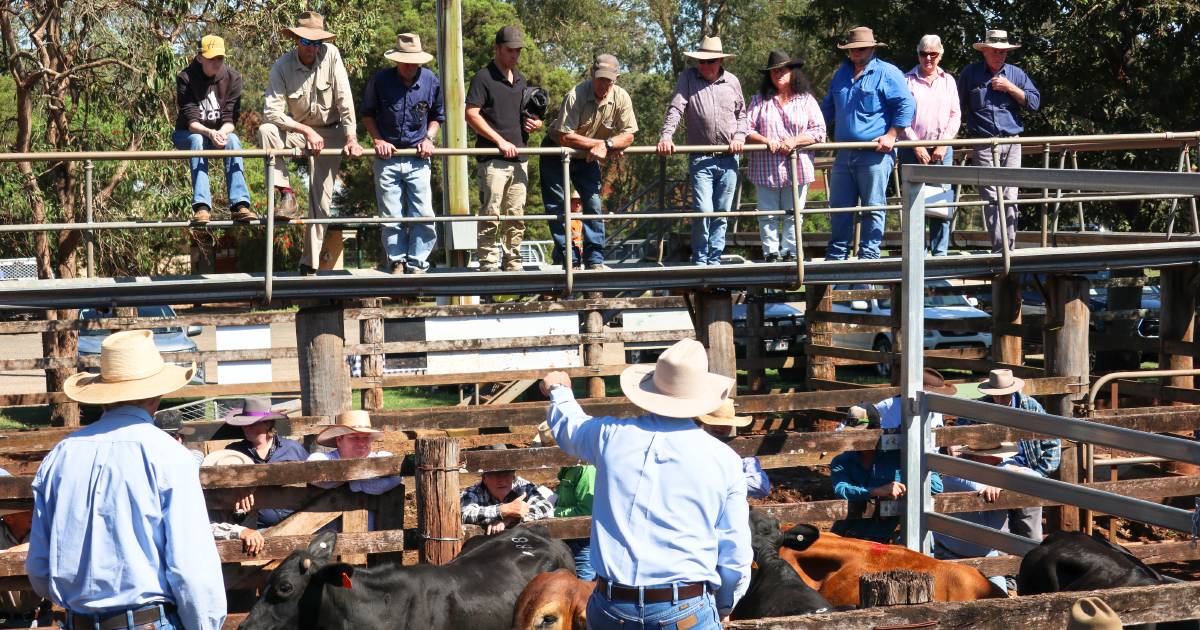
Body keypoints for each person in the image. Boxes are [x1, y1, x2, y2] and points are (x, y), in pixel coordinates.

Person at [541, 338, 752, 628]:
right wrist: (725, 602)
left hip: (614, 605)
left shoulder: (611, 436)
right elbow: (734, 551)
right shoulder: (725, 459)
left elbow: (570, 427)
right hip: (685, 606)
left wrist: (559, 390)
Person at [27, 330, 225, 629]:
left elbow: (40, 568)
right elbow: (192, 569)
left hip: (77, 619)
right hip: (146, 620)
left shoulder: (62, 455)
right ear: (156, 395)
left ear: (103, 395)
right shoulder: (168, 455)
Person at [260, 11, 364, 276]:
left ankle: (310, 264)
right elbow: (271, 112)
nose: (312, 48)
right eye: (307, 42)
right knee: (266, 130)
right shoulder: (282, 66)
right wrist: (305, 130)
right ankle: (286, 193)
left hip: (331, 134)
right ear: (296, 40)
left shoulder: (332, 55)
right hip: (299, 132)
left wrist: (351, 138)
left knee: (322, 202)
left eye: (316, 43)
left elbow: (345, 99)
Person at [820, 26, 915, 262]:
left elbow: (907, 105)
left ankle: (869, 259)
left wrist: (892, 135)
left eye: (860, 49)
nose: (855, 53)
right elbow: (827, 108)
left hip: (874, 154)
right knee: (839, 208)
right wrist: (813, 130)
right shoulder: (841, 74)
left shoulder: (887, 72)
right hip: (843, 154)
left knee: (873, 207)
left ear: (872, 48)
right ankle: (836, 260)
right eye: (851, 50)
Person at [539, 53, 638, 269]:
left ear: (616, 79)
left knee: (593, 203)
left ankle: (594, 259)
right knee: (557, 205)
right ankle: (569, 257)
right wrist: (599, 144)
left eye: (608, 80)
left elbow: (629, 135)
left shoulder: (621, 98)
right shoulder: (576, 95)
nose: (603, 84)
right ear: (592, 74)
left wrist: (608, 145)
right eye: (599, 78)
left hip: (587, 156)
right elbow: (565, 136)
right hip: (557, 152)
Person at [657, 36, 748, 267]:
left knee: (722, 212)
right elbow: (677, 107)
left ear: (720, 61)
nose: (705, 66)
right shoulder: (688, 78)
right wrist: (666, 136)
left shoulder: (732, 82)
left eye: (711, 61)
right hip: (701, 158)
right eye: (702, 62)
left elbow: (742, 116)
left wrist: (739, 136)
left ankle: (714, 259)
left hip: (729, 158)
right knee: (703, 210)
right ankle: (700, 260)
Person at [830, 370, 948, 543]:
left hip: (884, 539)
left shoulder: (896, 456)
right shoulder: (841, 461)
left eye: (862, 434)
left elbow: (936, 486)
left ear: (876, 430)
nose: (855, 440)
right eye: (851, 434)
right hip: (848, 535)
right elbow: (841, 489)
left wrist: (901, 489)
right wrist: (877, 491)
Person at [362, 33, 444, 276]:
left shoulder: (431, 81)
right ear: (396, 61)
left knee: (424, 214)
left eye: (415, 61)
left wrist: (429, 138)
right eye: (406, 61)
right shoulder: (380, 81)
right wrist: (378, 139)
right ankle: (397, 261)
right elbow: (367, 113)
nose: (410, 66)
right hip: (387, 159)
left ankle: (417, 263)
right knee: (390, 215)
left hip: (418, 158)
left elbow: (438, 116)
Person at [466, 26, 543, 272]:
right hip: (492, 160)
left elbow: (525, 116)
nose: (514, 55)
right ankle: (488, 262)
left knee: (516, 213)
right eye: (510, 50)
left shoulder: (521, 80)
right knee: (490, 212)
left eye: (518, 51)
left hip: (520, 158)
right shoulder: (483, 78)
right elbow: (471, 115)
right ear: (497, 48)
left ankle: (513, 260)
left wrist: (534, 123)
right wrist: (499, 141)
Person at [958, 29, 1041, 253]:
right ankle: (1000, 249)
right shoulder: (970, 74)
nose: (1000, 55)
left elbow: (1034, 103)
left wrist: (1010, 88)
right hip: (985, 143)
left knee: (1010, 196)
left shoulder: (1016, 74)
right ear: (984, 51)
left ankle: (1009, 249)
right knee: (991, 197)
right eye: (995, 51)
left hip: (1012, 142)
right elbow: (957, 107)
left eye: (1003, 52)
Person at [957, 368, 1060, 541]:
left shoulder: (1030, 406)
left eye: (1004, 395)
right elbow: (958, 431)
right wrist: (956, 446)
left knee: (1029, 522)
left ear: (1013, 391)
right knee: (997, 521)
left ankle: (1028, 553)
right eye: (996, 394)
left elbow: (1052, 441)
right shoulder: (979, 407)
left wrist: (1039, 472)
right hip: (991, 469)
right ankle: (1003, 558)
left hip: (1022, 467)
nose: (999, 398)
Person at [746, 50, 825, 263]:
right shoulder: (759, 100)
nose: (778, 74)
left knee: (794, 214)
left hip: (797, 167)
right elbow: (746, 129)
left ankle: (790, 252)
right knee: (768, 214)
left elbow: (819, 131)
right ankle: (770, 253)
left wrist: (794, 141)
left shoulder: (806, 100)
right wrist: (765, 140)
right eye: (773, 72)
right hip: (766, 168)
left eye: (782, 70)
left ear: (792, 72)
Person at [173, 35, 255, 225]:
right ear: (200, 57)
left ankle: (240, 205)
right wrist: (210, 133)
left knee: (233, 140)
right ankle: (201, 207)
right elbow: (191, 120)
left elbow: (230, 119)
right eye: (212, 58)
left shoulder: (233, 77)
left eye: (220, 58)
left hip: (218, 134)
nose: (217, 63)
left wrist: (222, 132)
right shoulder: (185, 77)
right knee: (197, 140)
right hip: (187, 134)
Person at [902, 34, 961, 256]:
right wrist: (916, 145)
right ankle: (915, 254)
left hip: (942, 150)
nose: (928, 58)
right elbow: (901, 116)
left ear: (940, 55)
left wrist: (944, 144)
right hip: (911, 150)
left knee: (941, 203)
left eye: (933, 54)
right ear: (918, 54)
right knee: (914, 204)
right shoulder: (906, 80)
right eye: (923, 53)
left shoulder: (949, 81)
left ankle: (940, 255)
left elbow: (955, 115)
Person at [307, 410, 403, 529]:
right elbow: (313, 473)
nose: (362, 443)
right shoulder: (322, 458)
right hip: (327, 540)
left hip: (372, 538)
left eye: (366, 437)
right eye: (354, 437)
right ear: (339, 440)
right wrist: (359, 478)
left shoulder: (381, 458)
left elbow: (397, 476)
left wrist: (354, 482)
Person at [222, 396, 309, 528]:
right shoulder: (234, 452)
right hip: (252, 527)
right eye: (244, 424)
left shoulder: (292, 448)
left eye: (251, 424)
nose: (245, 428)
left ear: (267, 424)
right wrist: (237, 488)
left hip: (295, 523)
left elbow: (314, 477)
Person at [460, 444, 556, 535]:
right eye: (495, 474)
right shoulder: (473, 492)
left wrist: (511, 517)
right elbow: (464, 513)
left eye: (506, 473)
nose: (502, 480)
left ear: (513, 476)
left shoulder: (523, 486)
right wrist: (502, 510)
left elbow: (546, 507)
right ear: (484, 478)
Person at [696, 399, 771, 498]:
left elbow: (761, 487)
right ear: (704, 422)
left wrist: (715, 480)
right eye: (715, 422)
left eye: (726, 424)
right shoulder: (694, 446)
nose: (720, 427)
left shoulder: (740, 447)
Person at [199, 449, 267, 556]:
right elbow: (202, 528)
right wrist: (240, 531)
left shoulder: (249, 497)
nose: (237, 489)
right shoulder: (203, 497)